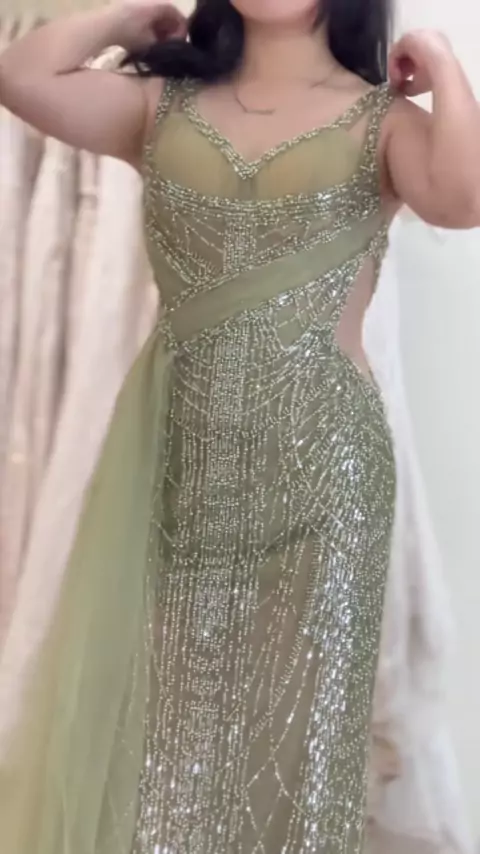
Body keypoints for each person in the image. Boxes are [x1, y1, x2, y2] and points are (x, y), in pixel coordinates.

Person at [0, 1, 479, 852]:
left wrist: (439, 59)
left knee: (299, 753)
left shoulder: (383, 123)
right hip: (179, 464)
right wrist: (132, 18)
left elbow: (463, 200)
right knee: (166, 743)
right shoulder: (159, 107)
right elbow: (19, 76)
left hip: (324, 480)